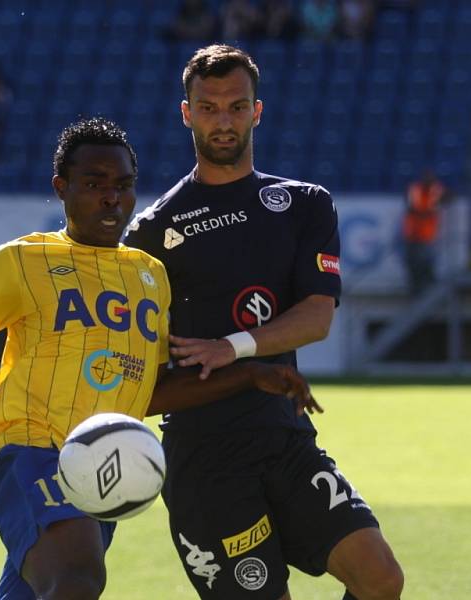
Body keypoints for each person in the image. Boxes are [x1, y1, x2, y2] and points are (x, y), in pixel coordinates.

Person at [0, 117, 319, 600]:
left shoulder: (150, 275)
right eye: (94, 184)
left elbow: (149, 392)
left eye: (123, 185)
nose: (112, 198)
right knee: (77, 580)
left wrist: (251, 375)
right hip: (29, 453)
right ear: (61, 189)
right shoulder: (22, 260)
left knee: (50, 587)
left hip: (103, 474)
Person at [123, 45, 403, 600]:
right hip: (205, 460)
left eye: (235, 106)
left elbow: (317, 316)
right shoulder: (151, 234)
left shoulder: (303, 205)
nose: (222, 120)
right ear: (187, 114)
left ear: (258, 111)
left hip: (285, 436)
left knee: (381, 578)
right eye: (208, 107)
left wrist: (233, 347)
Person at [402, 168, 448, 295]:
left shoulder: (436, 190)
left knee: (427, 261)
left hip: (428, 234)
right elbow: (413, 208)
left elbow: (447, 197)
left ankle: (427, 285)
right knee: (413, 262)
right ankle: (415, 288)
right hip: (413, 233)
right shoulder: (415, 189)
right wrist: (427, 212)